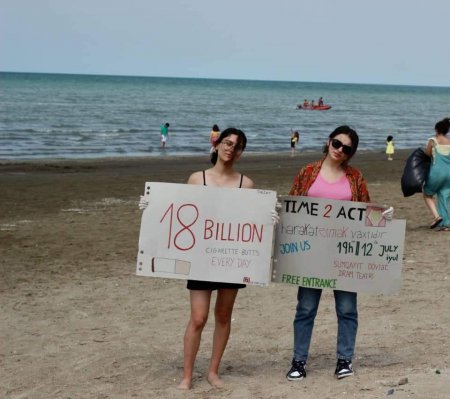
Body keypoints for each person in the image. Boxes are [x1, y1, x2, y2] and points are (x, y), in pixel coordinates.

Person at [139, 128, 278, 390]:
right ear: (216, 145)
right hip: (201, 257)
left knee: (223, 316)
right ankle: (187, 375)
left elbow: (250, 223)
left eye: (237, 146)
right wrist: (150, 207)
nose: (230, 148)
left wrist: (268, 220)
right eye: (227, 142)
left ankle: (213, 371)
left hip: (231, 258)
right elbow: (177, 212)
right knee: (198, 318)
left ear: (241, 153)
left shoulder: (245, 184)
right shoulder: (197, 178)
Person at [285, 125, 393, 381]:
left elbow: (365, 212)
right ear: (328, 141)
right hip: (310, 253)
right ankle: (298, 361)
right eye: (337, 144)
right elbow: (292, 205)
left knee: (347, 309)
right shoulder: (308, 172)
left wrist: (384, 219)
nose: (340, 150)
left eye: (346, 148)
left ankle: (344, 360)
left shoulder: (355, 177)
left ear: (350, 153)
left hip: (344, 254)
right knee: (305, 308)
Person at [423, 118, 450, 231]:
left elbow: (427, 154)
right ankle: (445, 224)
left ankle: (437, 217)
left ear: (436, 130)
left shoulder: (433, 141)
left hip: (437, 171)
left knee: (427, 194)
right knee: (444, 197)